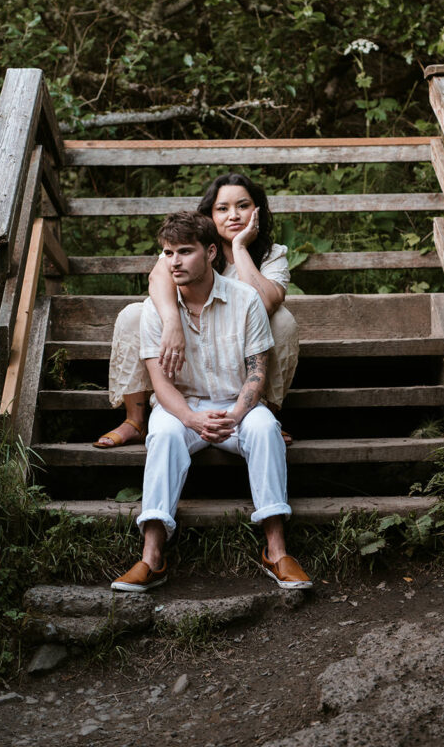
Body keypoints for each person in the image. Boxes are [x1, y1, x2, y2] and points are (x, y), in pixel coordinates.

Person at [110, 211, 312, 592]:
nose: (174, 261)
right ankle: (152, 557)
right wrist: (191, 419)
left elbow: (257, 372)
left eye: (185, 251)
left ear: (212, 252)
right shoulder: (156, 310)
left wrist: (237, 413)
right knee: (164, 436)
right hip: (181, 407)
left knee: (265, 427)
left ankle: (276, 550)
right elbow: (159, 382)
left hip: (237, 404)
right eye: (168, 253)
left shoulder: (246, 300)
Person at [94, 173, 299, 449]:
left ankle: (264, 416)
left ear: (257, 211)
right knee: (134, 314)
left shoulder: (272, 254)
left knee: (283, 321)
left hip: (241, 344)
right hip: (190, 336)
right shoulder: (189, 246)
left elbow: (265, 303)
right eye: (222, 208)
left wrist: (239, 247)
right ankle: (135, 420)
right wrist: (171, 322)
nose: (234, 215)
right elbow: (158, 278)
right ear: (209, 215)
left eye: (243, 206)